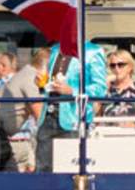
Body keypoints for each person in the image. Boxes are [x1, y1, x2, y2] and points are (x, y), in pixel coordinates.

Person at [32, 39, 109, 173]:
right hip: (48, 116)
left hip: (74, 119)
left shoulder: (93, 51)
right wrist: (43, 85)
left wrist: (72, 91)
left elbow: (100, 89)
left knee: (70, 168)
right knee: (42, 168)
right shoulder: (55, 49)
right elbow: (53, 83)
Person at [0, 51, 41, 173]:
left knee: (1, 175)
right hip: (19, 139)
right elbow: (37, 112)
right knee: (9, 176)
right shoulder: (28, 78)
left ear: (2, 66)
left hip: (4, 135)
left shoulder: (4, 83)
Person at [104, 49, 135, 118]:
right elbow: (96, 113)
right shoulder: (106, 88)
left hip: (130, 128)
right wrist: (105, 84)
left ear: (130, 67)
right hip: (106, 127)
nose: (116, 68)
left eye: (120, 65)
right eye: (113, 65)